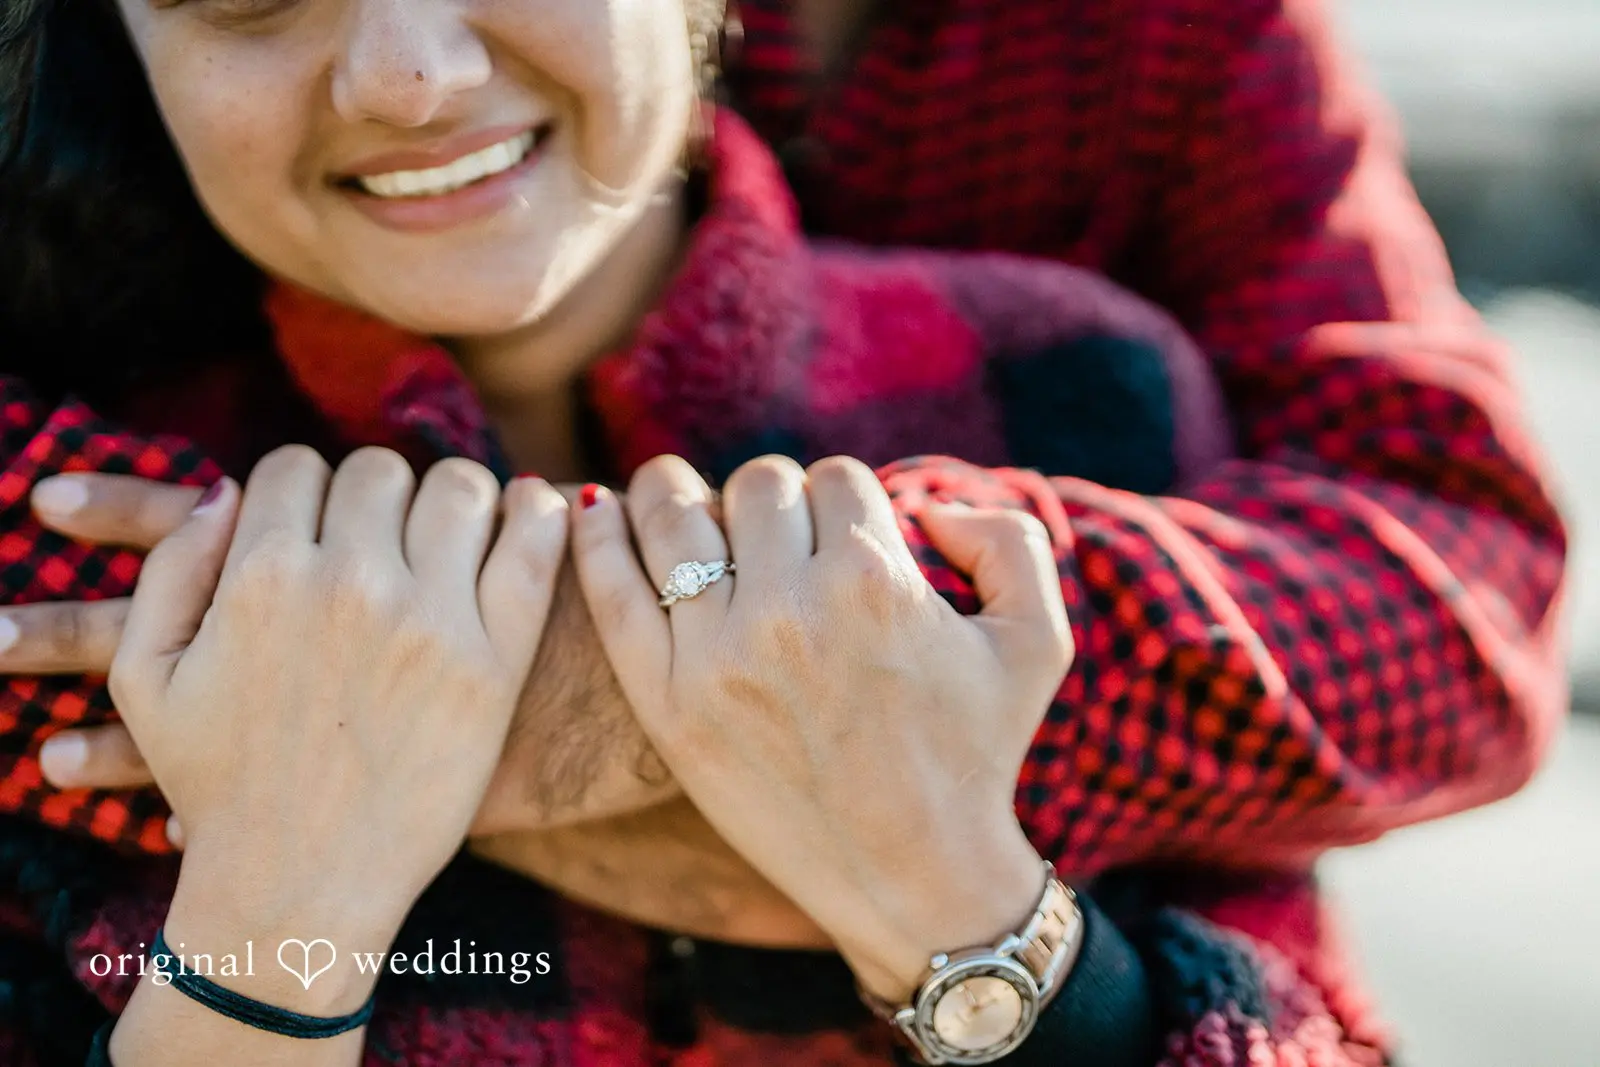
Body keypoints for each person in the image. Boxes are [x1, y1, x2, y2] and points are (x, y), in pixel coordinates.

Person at [0, 0, 1567, 1064]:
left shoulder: (1075, 382)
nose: (409, 67)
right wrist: (274, 923)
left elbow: (1457, 572)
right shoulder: (146, 461)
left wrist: (891, 720)